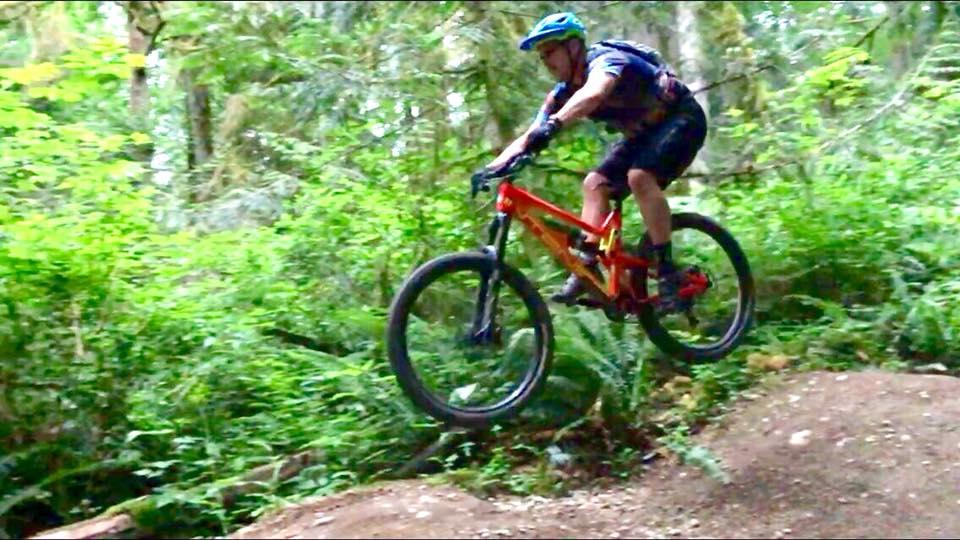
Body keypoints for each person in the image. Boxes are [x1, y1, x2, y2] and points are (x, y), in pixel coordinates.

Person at [483, 12, 707, 312]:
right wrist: (490, 169)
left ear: (574, 47)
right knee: (595, 184)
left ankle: (667, 271)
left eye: (550, 52)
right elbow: (530, 134)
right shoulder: (561, 95)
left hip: (682, 117)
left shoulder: (605, 60)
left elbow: (595, 93)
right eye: (541, 56)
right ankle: (589, 261)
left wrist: (556, 124)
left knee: (640, 176)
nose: (546, 61)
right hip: (643, 134)